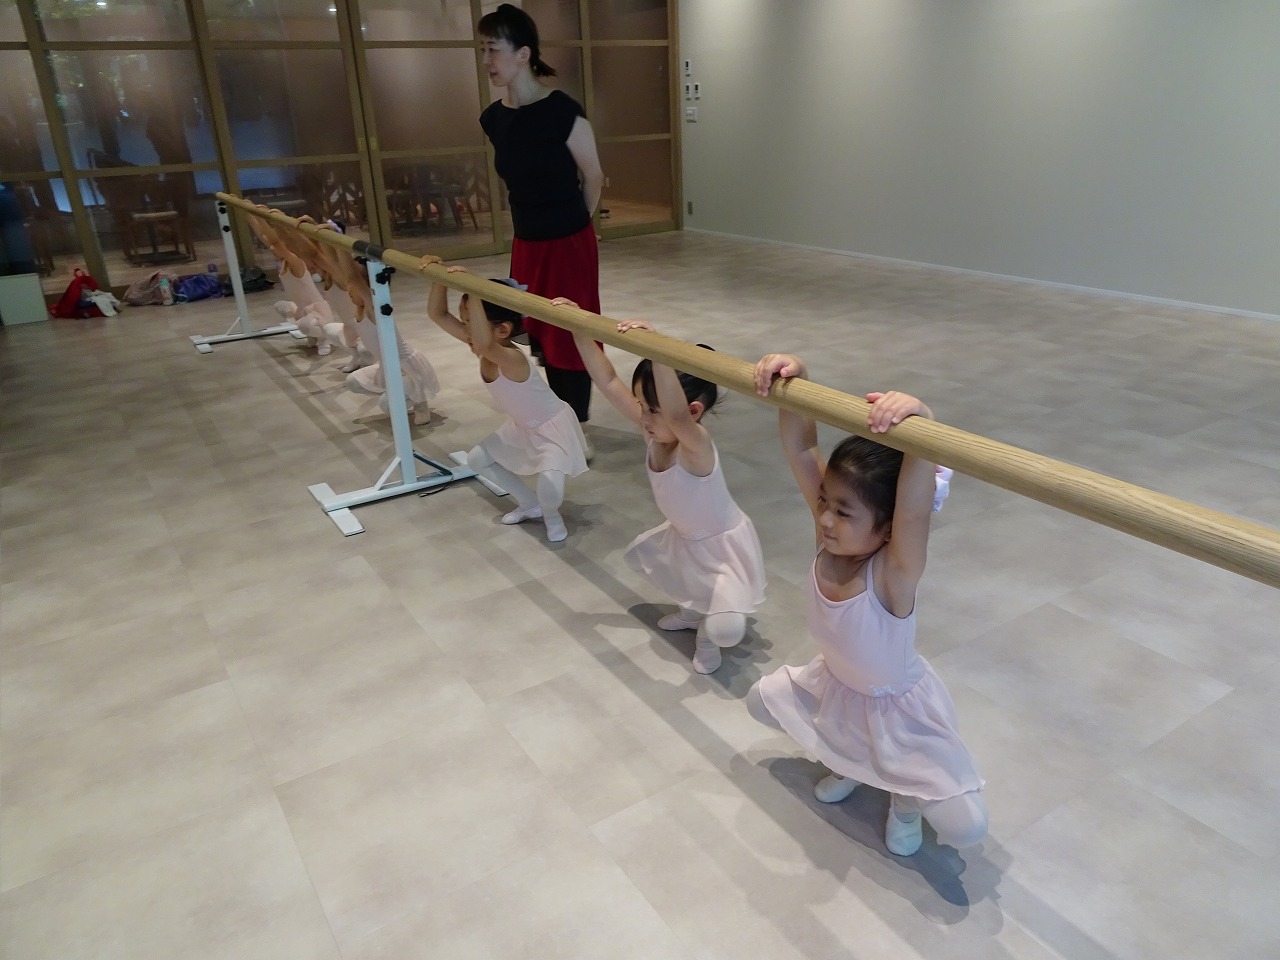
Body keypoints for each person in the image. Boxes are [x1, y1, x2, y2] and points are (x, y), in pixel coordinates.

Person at [745, 354, 985, 857]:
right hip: (841, 686)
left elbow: (913, 512)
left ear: (887, 529)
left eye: (843, 511)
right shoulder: (830, 540)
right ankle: (853, 763)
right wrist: (796, 379)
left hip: (894, 705)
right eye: (824, 503)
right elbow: (802, 446)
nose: (825, 519)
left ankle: (905, 801)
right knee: (759, 703)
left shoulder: (893, 575)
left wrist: (923, 423)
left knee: (966, 828)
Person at [560, 305, 765, 674]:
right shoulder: (654, 432)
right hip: (686, 538)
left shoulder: (696, 447)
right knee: (687, 579)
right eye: (642, 406)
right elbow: (608, 380)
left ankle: (707, 635)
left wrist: (657, 349)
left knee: (727, 629)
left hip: (721, 547)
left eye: (651, 409)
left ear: (694, 411)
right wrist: (579, 329)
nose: (643, 417)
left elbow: (676, 416)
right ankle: (692, 612)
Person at [477, 3, 605, 449]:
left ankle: (576, 429)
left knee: (570, 332)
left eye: (493, 49)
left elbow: (593, 176)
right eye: (483, 50)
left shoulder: (562, 111)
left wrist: (577, 229)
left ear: (523, 53)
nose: (487, 60)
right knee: (539, 330)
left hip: (568, 242)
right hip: (527, 242)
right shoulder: (494, 119)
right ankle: (555, 420)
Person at [426, 259, 588, 542]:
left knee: (550, 485)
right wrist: (441, 278)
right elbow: (437, 314)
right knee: (477, 459)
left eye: (471, 322)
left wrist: (474, 289)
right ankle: (529, 504)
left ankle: (552, 515)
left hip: (551, 427)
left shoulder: (510, 357)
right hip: (523, 426)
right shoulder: (483, 344)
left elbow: (484, 343)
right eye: (465, 322)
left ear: (502, 330)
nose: (466, 331)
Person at [311, 226, 438, 424]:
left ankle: (418, 401)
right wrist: (327, 238)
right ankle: (400, 393)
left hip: (405, 367)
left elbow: (352, 277)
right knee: (353, 382)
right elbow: (336, 269)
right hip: (387, 366)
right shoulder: (360, 307)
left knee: (387, 405)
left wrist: (339, 240)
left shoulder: (374, 308)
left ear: (369, 289)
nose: (348, 291)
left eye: (353, 288)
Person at [245, 207, 337, 356]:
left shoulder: (296, 263)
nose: (272, 249)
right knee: (281, 307)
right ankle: (312, 335)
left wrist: (267, 220)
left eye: (277, 248)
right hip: (303, 309)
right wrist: (250, 215)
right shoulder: (284, 262)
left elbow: (276, 242)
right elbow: (264, 238)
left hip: (319, 313)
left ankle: (323, 339)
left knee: (307, 324)